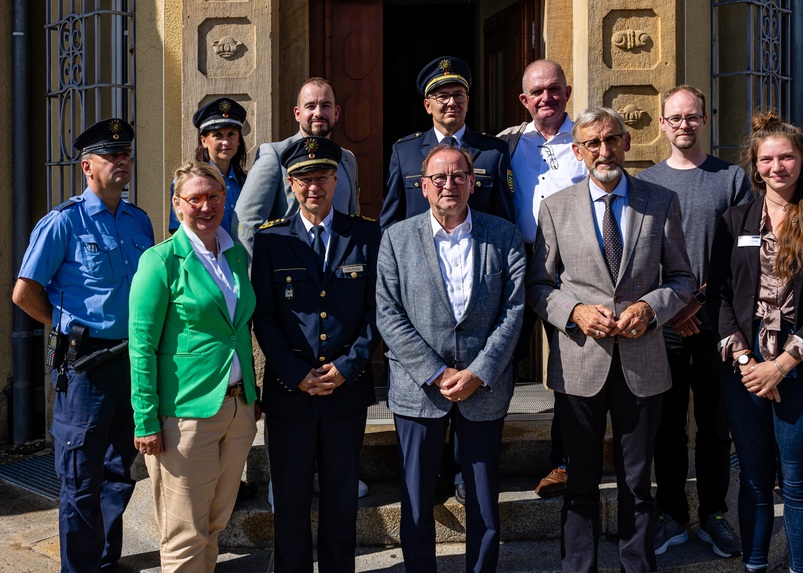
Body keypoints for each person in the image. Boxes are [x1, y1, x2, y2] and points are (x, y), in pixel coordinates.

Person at [526, 107, 695, 573]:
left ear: (627, 142)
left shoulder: (660, 201)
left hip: (642, 362)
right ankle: (579, 567)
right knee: (579, 482)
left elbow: (682, 278)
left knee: (638, 482)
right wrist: (575, 312)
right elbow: (539, 286)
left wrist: (651, 309)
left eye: (612, 139)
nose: (605, 150)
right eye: (593, 143)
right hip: (580, 362)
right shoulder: (555, 208)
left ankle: (636, 565)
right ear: (578, 152)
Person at [707, 113, 803, 573]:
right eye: (767, 159)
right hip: (744, 369)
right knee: (752, 480)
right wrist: (749, 361)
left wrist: (781, 365)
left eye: (786, 157)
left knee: (798, 482)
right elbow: (720, 296)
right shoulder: (731, 222)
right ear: (755, 165)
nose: (777, 167)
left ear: (802, 162)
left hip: (802, 368)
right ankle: (754, 565)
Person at [12, 118, 154, 573]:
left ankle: (105, 561)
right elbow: (24, 291)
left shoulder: (139, 220)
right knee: (79, 479)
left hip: (131, 361)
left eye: (126, 154)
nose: (122, 162)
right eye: (112, 156)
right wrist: (64, 325)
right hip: (86, 366)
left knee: (119, 472)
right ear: (87, 166)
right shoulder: (63, 222)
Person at [376, 144, 526, 573]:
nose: (449, 185)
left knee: (482, 499)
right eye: (438, 178)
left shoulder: (503, 235)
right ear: (422, 187)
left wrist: (479, 371)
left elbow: (514, 310)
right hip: (418, 388)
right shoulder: (396, 238)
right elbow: (388, 313)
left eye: (459, 176)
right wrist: (436, 372)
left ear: (473, 183)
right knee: (418, 501)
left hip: (484, 388)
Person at [250, 136, 381, 572]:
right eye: (304, 179)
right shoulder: (271, 241)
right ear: (290, 184)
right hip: (291, 392)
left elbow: (376, 312)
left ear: (336, 179)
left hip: (346, 391)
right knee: (289, 501)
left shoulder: (364, 233)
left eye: (323, 176)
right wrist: (295, 373)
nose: (314, 187)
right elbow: (263, 317)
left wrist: (346, 367)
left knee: (342, 501)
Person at [636, 85, 751, 557]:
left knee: (713, 424)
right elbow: (642, 258)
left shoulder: (732, 178)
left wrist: (702, 305)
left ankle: (714, 514)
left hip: (719, 323)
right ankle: (672, 516)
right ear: (661, 123)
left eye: (692, 116)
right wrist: (672, 307)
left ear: (706, 119)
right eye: (675, 117)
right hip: (665, 325)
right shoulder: (646, 182)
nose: (684, 124)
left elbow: (742, 253)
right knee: (665, 426)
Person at [129, 161, 259, 572]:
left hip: (238, 412)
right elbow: (141, 346)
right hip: (184, 417)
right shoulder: (161, 260)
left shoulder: (235, 254)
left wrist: (252, 398)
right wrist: (145, 419)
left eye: (214, 196)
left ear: (225, 199)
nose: (205, 206)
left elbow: (237, 331)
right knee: (184, 534)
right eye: (195, 198)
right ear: (177, 204)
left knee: (215, 525)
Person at [498, 59, 588, 499]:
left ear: (567, 93)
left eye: (554, 89)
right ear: (524, 100)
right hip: (521, 260)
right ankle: (480, 460)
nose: (546, 98)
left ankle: (565, 462)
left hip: (575, 266)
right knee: (502, 359)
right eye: (537, 92)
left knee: (571, 366)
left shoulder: (587, 139)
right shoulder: (507, 144)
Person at [380, 56, 515, 231]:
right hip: (419, 252)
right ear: (428, 105)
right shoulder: (404, 152)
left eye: (458, 95)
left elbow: (505, 221)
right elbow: (391, 221)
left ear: (467, 102)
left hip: (477, 252)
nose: (452, 103)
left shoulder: (494, 152)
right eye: (442, 96)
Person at [234, 77, 360, 255]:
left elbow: (353, 221)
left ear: (336, 112)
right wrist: (259, 275)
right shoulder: (274, 156)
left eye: (326, 105)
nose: (318, 113)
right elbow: (246, 222)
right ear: (297, 113)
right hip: (290, 274)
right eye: (310, 106)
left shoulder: (347, 159)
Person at [168, 97, 248, 235]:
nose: (226, 142)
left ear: (239, 140)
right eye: (217, 135)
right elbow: (179, 231)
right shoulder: (188, 182)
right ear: (204, 141)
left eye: (231, 134)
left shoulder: (246, 181)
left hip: (240, 256)